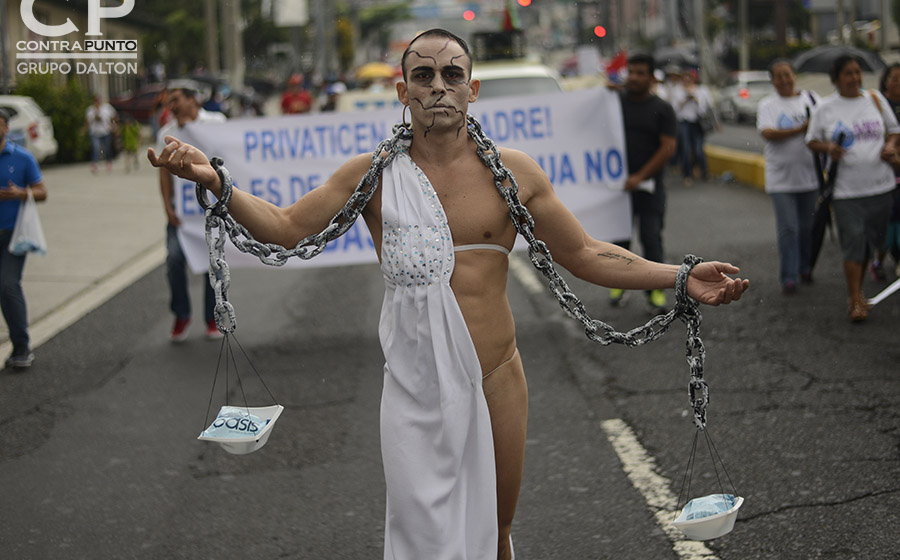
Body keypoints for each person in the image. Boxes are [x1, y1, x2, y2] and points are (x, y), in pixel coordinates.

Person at [149, 28, 749, 560]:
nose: (439, 85)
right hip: (415, 388)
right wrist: (216, 181)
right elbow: (284, 228)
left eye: (452, 74)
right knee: (422, 538)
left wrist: (678, 275)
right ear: (404, 90)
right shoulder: (373, 175)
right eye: (424, 74)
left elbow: (586, 253)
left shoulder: (513, 173)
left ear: (472, 89)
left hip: (496, 378)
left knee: (495, 530)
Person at [806, 55, 900, 321]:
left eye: (857, 72)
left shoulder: (874, 99)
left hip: (881, 188)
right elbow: (811, 141)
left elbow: (894, 131)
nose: (854, 78)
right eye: (848, 73)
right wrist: (829, 148)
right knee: (853, 245)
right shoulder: (825, 108)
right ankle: (855, 299)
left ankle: (861, 285)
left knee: (877, 241)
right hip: (847, 192)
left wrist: (891, 146)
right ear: (836, 78)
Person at [609, 53, 678, 313]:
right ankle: (617, 283)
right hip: (619, 188)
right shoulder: (614, 102)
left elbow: (668, 148)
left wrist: (641, 176)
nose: (634, 78)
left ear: (651, 78)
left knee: (651, 239)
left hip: (650, 189)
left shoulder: (662, 109)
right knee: (618, 242)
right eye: (631, 72)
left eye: (641, 73)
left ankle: (655, 292)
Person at [157, 87, 226, 341]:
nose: (172, 106)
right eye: (168, 102)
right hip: (183, 213)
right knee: (174, 260)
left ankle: (212, 317)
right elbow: (164, 173)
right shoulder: (167, 134)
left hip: (211, 210)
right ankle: (182, 313)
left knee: (214, 264)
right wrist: (167, 206)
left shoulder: (216, 123)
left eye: (176, 100)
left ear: (191, 100)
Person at [757, 59, 822, 294]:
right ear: (772, 80)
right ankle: (789, 276)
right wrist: (801, 129)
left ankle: (805, 267)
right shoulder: (768, 104)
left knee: (807, 227)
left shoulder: (812, 100)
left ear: (794, 76)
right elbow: (768, 132)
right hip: (780, 179)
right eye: (779, 76)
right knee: (789, 228)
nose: (784, 80)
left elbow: (824, 128)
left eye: (788, 75)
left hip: (809, 177)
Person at [0, 108, 48, 369]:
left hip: (12, 236)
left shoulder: (22, 158)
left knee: (8, 285)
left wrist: (21, 193)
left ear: (6, 128)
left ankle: (21, 347)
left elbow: (42, 192)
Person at [872, 63, 900, 280]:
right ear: (886, 81)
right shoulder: (878, 105)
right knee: (888, 222)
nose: (898, 84)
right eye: (895, 79)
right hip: (884, 172)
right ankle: (879, 259)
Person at [672, 68, 716, 185]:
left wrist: (696, 100)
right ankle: (687, 174)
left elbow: (705, 109)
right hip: (683, 122)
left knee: (698, 150)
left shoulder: (702, 91)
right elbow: (675, 110)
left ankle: (703, 171)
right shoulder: (678, 91)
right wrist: (685, 100)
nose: (687, 80)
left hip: (697, 123)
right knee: (685, 149)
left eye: (689, 78)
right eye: (685, 78)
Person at [84, 95, 118, 173]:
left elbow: (114, 116)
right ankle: (95, 164)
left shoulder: (107, 108)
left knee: (107, 148)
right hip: (94, 132)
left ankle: (109, 162)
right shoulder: (90, 110)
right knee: (96, 148)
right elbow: (88, 121)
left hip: (105, 131)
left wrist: (114, 125)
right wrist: (84, 129)